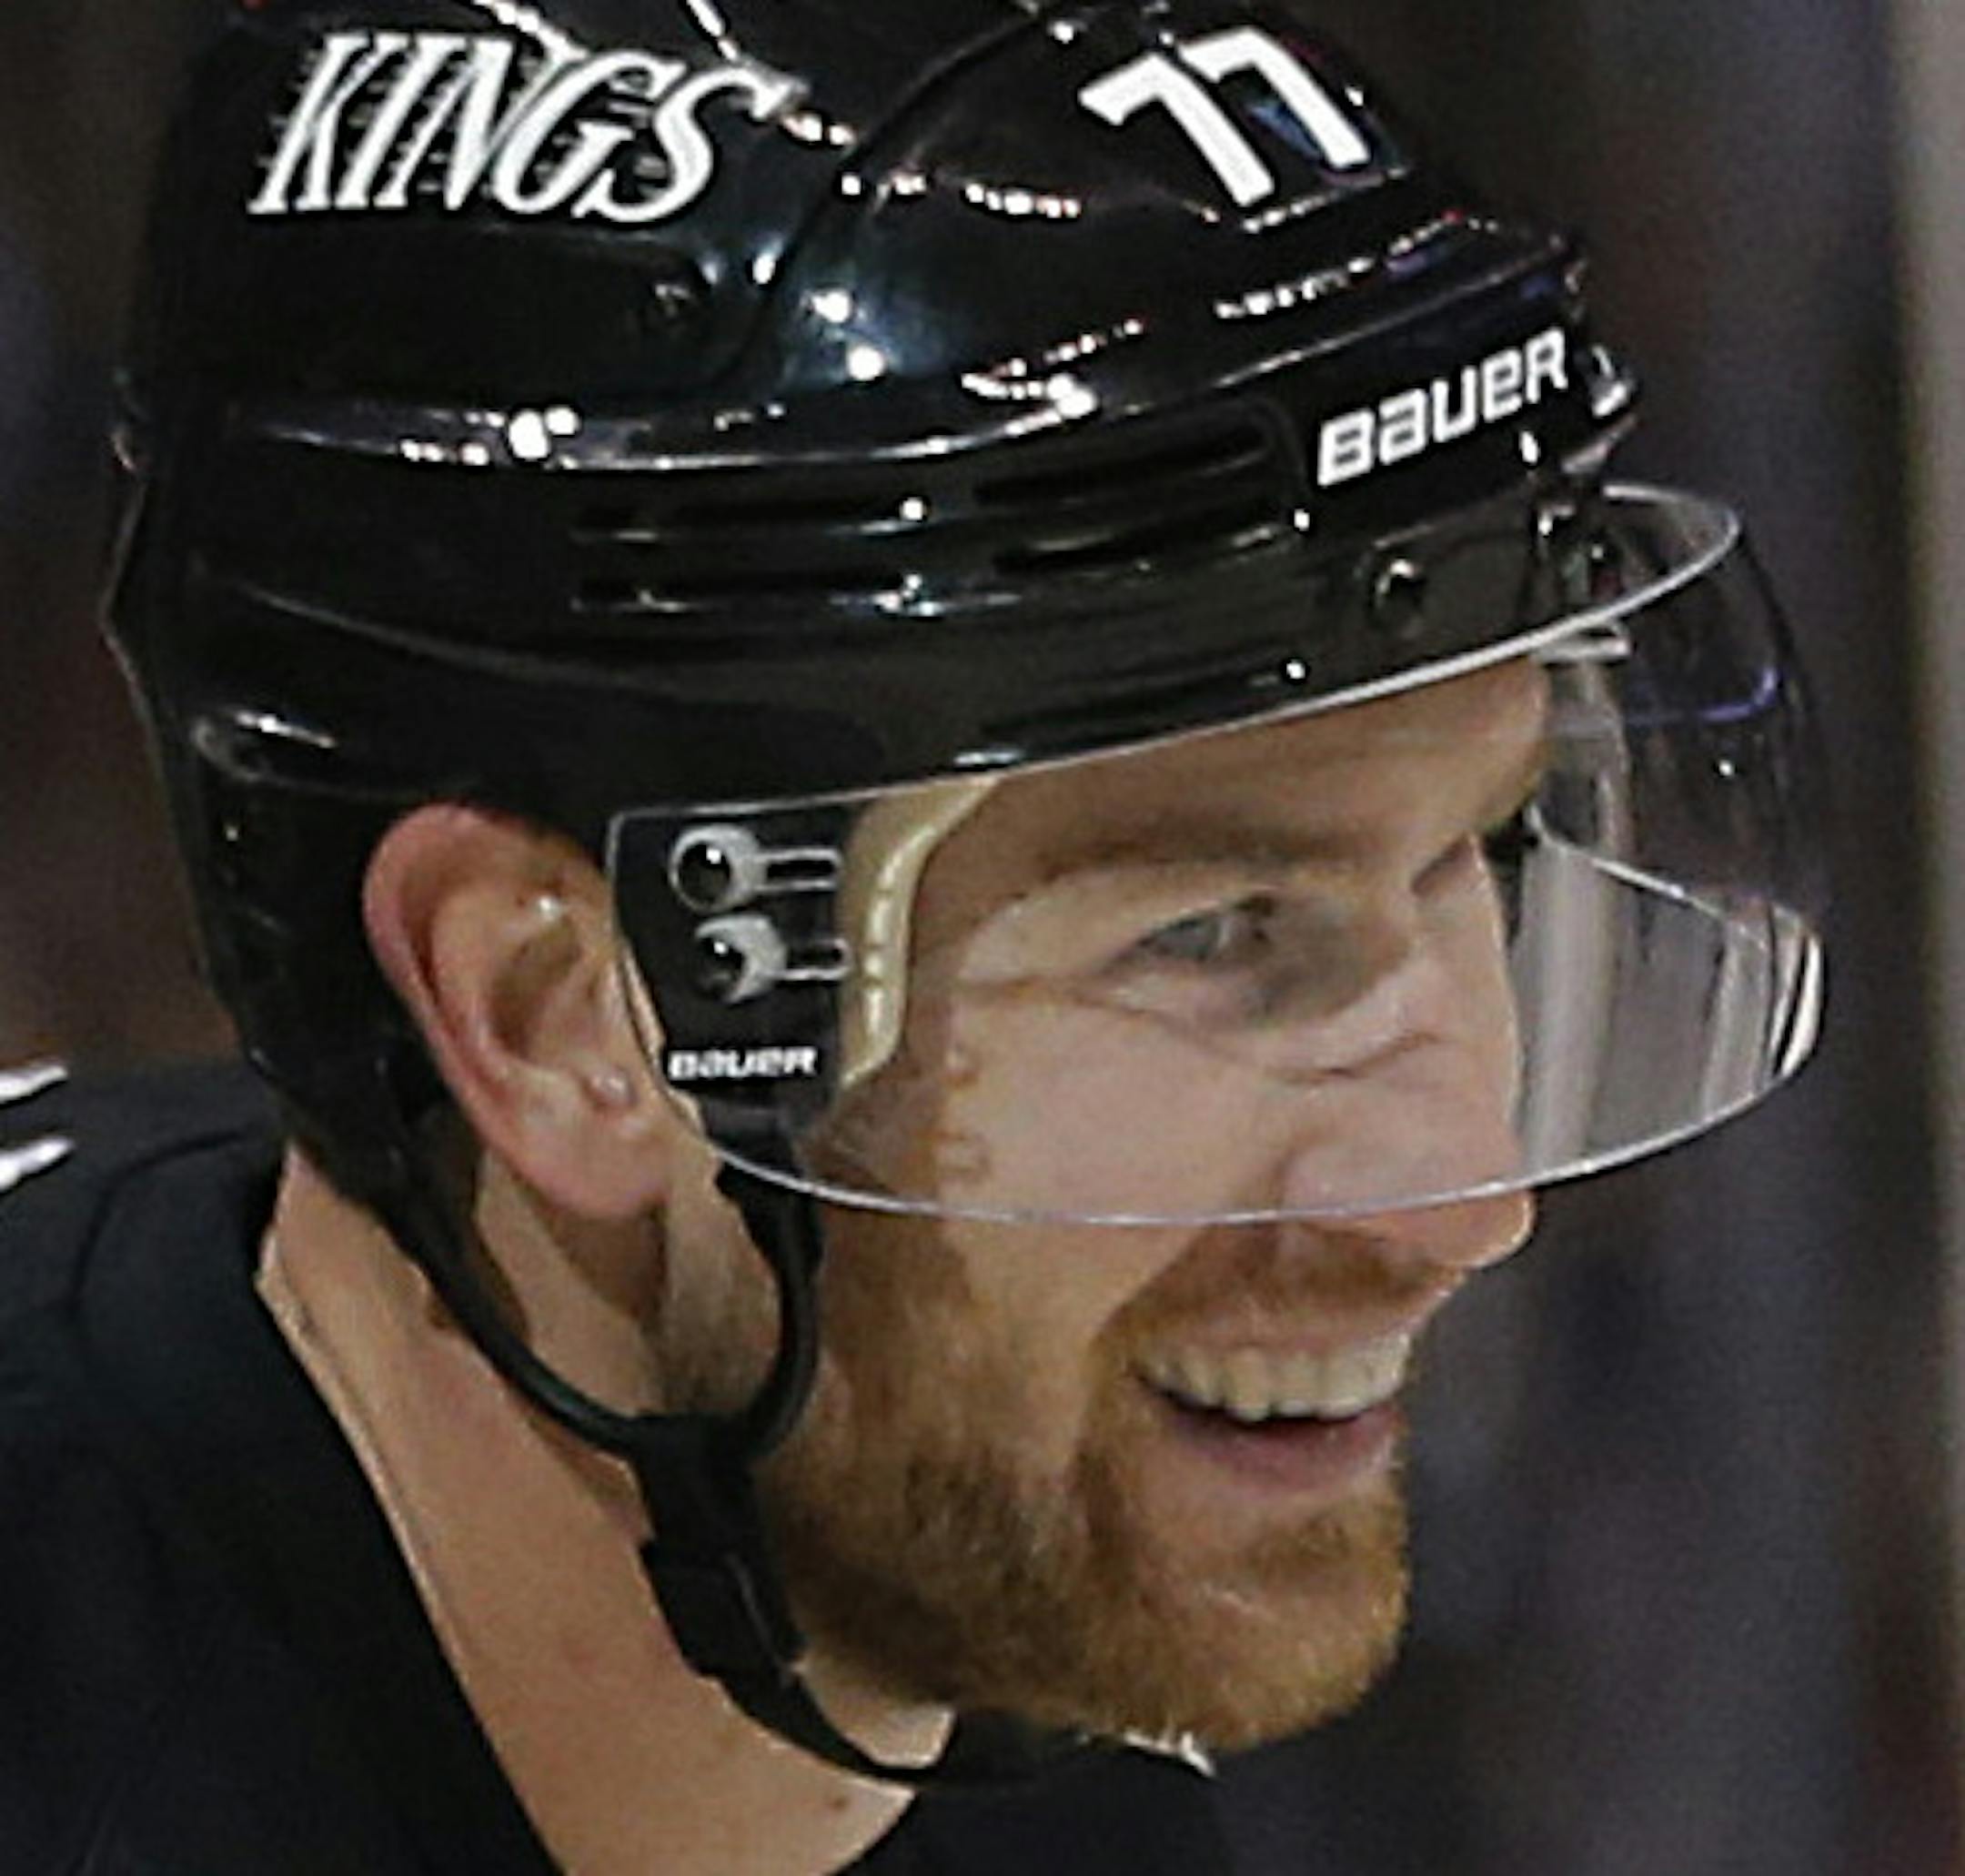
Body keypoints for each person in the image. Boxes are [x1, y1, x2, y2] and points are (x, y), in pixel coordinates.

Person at [0, 0, 1828, 1870]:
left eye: (1487, 848)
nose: (1455, 1201)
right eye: (1212, 932)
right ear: (562, 1016)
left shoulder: (1087, 1736)